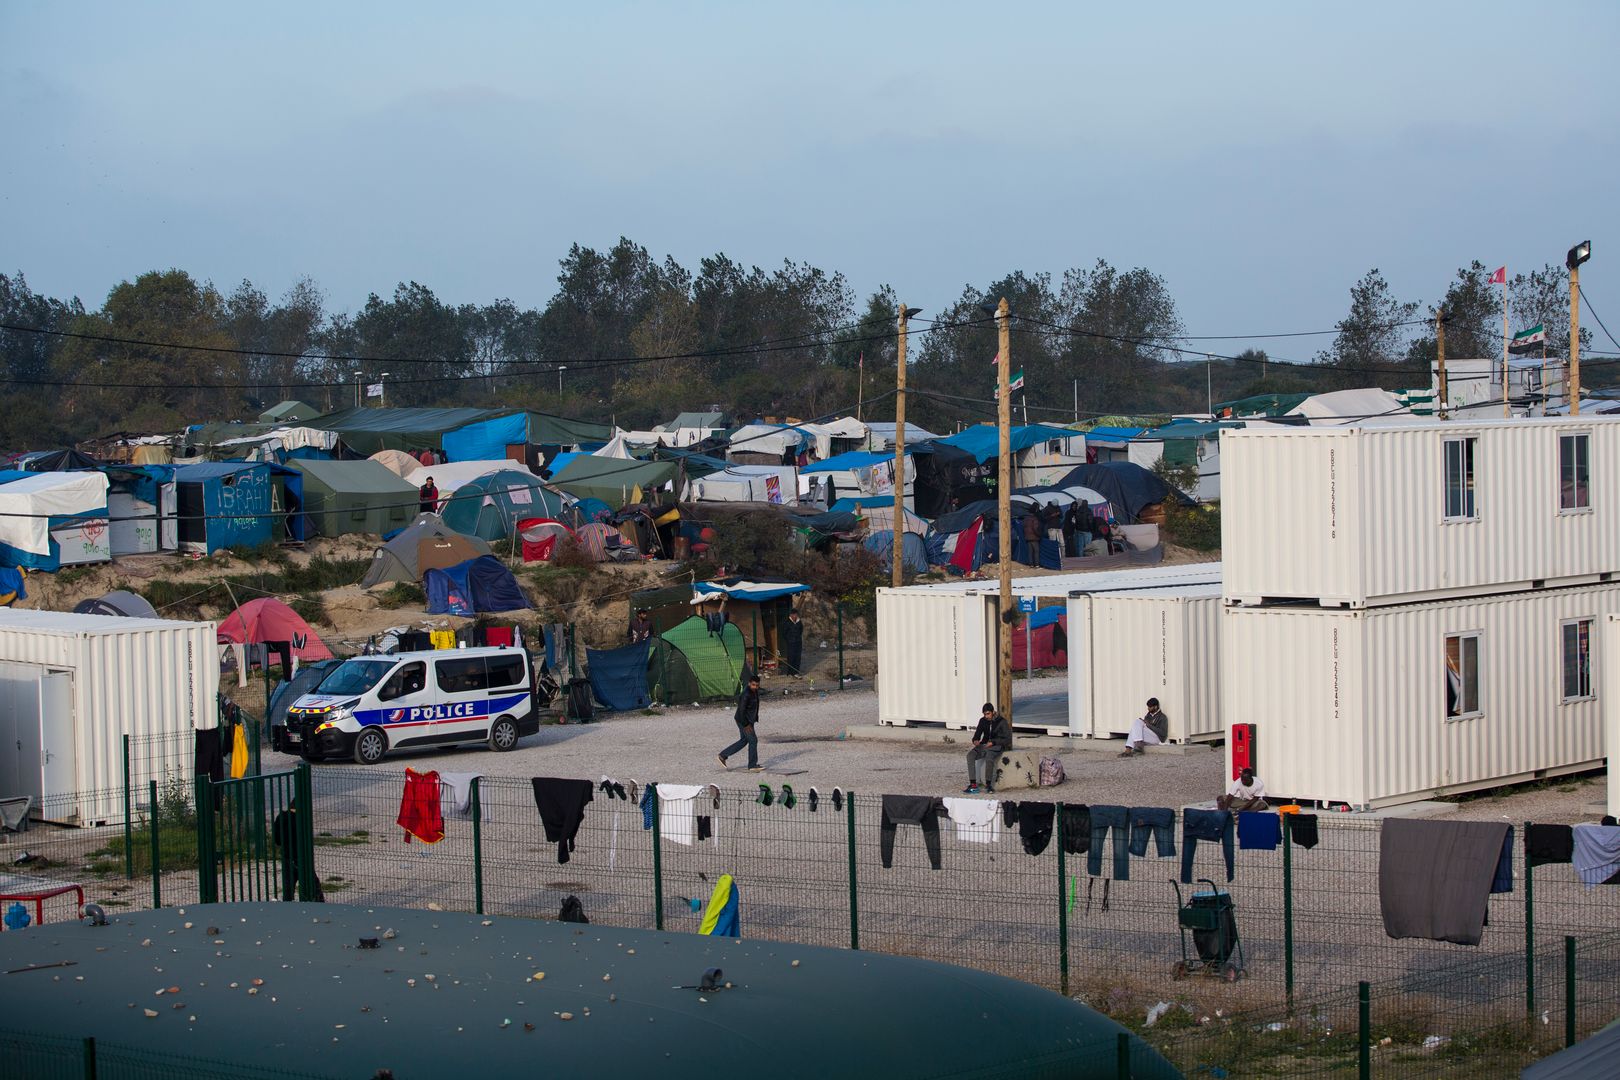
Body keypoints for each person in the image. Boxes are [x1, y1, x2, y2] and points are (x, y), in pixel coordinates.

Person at [718, 675, 763, 771]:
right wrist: (746, 724)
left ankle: (723, 755)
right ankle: (752, 765)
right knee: (753, 740)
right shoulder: (746, 694)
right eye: (753, 685)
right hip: (744, 721)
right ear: (749, 683)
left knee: (744, 740)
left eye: (757, 685)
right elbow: (741, 710)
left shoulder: (754, 692)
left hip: (747, 720)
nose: (755, 687)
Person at [964, 702, 1012, 794]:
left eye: (988, 714)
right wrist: (975, 741)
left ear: (993, 712)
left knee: (989, 757)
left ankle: (988, 785)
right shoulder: (982, 721)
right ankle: (973, 784)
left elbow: (1007, 739)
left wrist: (994, 742)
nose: (986, 716)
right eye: (984, 714)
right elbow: (977, 735)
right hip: (984, 745)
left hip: (996, 746)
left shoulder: (1001, 721)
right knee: (970, 755)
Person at [780, 608, 805, 678]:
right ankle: (790, 672)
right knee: (791, 657)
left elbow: (801, 630)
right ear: (791, 615)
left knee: (798, 657)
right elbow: (784, 633)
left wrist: (797, 638)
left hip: (798, 642)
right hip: (791, 642)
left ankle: (796, 672)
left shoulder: (799, 622)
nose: (795, 616)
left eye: (796, 614)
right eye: (793, 614)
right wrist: (789, 639)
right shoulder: (787, 622)